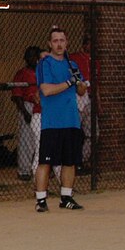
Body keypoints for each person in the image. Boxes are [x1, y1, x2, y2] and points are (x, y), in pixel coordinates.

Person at [33, 26, 87, 212]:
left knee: (69, 161)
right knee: (45, 161)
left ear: (67, 42)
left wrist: (79, 82)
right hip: (52, 122)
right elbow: (46, 90)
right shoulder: (45, 64)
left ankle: (66, 197)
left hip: (71, 119)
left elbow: (81, 90)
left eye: (62, 40)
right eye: (55, 41)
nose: (59, 44)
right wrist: (69, 82)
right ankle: (41, 200)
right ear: (50, 44)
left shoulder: (72, 64)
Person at [11, 46, 42, 181]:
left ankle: (42, 168)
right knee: (26, 140)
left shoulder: (43, 72)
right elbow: (17, 95)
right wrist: (24, 112)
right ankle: (24, 170)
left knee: (41, 140)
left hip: (42, 106)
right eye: (29, 56)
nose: (32, 59)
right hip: (28, 106)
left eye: (35, 56)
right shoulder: (22, 73)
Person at [69, 34, 95, 170]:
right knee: (75, 132)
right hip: (77, 97)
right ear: (84, 45)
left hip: (90, 98)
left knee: (93, 133)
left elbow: (96, 85)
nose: (91, 47)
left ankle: (82, 161)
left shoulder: (95, 60)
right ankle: (73, 162)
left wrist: (99, 103)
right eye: (89, 44)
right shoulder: (74, 59)